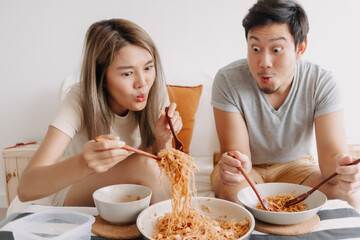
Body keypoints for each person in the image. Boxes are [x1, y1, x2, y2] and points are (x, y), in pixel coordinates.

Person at [211, 0, 360, 210]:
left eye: (277, 49)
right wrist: (235, 166)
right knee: (233, 194)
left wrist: (343, 170)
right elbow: (238, 156)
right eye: (255, 48)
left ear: (300, 48)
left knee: (346, 198)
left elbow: (330, 165)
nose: (264, 62)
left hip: (297, 167)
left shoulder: (321, 82)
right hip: (246, 169)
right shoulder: (228, 79)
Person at [17, 19, 182, 207]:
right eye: (127, 73)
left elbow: (164, 173)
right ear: (101, 77)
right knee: (143, 165)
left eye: (147, 68)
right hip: (74, 192)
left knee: (147, 166)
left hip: (127, 188)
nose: (142, 82)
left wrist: (164, 140)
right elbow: (25, 188)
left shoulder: (155, 92)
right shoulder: (78, 99)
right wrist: (85, 163)